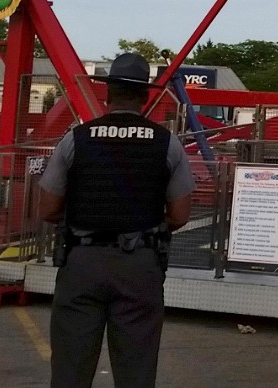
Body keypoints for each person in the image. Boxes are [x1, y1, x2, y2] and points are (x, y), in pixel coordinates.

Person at [38, 53, 193, 388]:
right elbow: (180, 214)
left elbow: (47, 207)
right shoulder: (168, 144)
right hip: (140, 264)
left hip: (81, 262)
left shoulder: (76, 139)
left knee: (70, 366)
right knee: (136, 367)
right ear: (145, 96)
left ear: (107, 94)